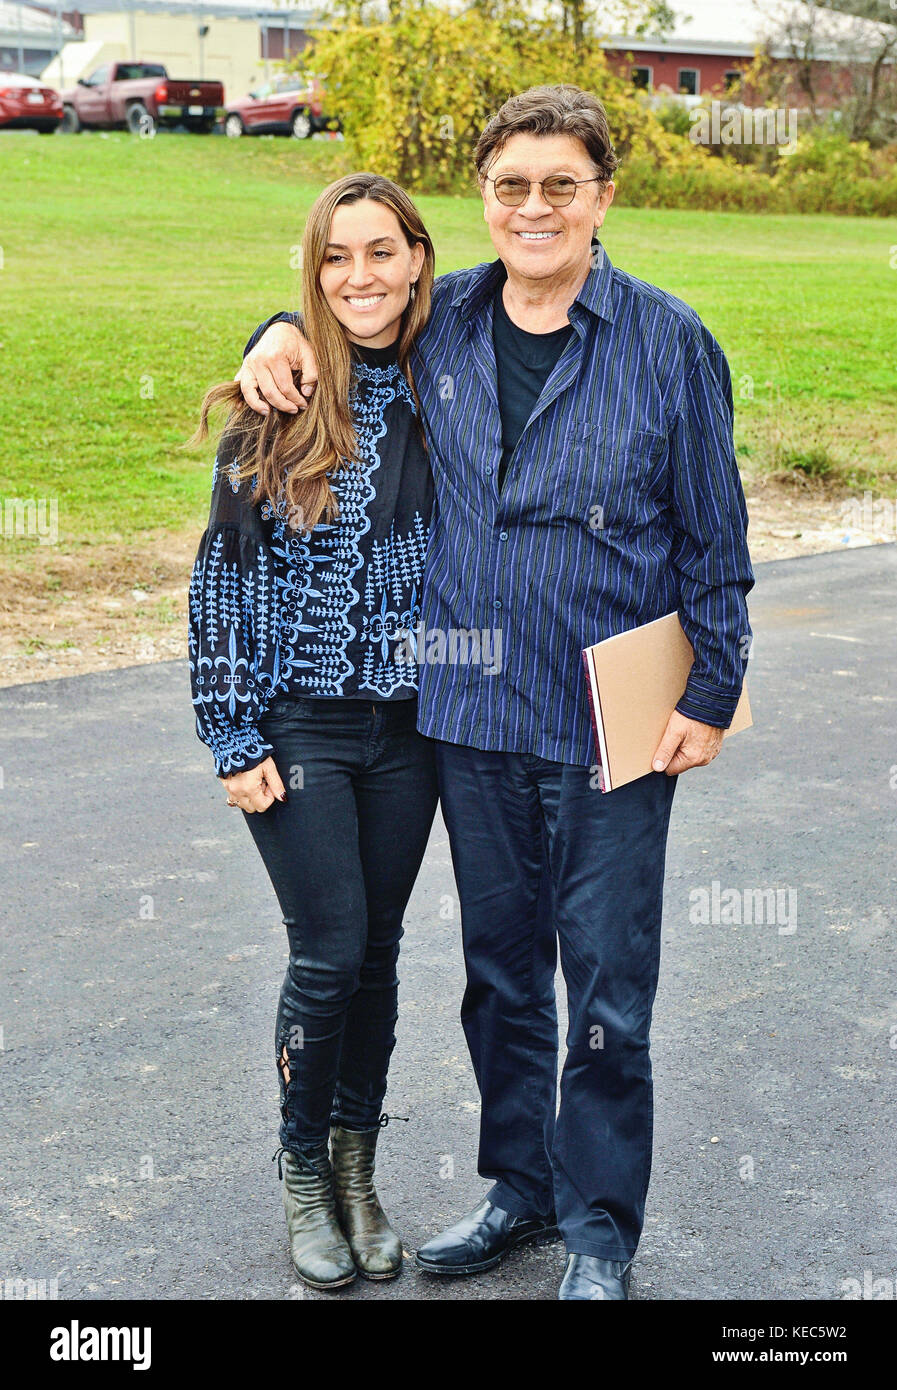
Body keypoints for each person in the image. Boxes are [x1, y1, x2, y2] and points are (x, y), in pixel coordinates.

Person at [236, 85, 755, 1300]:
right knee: (503, 980)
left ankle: (600, 1232)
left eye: (559, 185)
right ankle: (520, 1193)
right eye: (510, 186)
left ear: (601, 198)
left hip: (613, 719)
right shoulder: (448, 319)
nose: (534, 207)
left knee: (609, 993)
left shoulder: (670, 344)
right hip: (468, 717)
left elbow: (714, 540)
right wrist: (271, 326)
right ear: (484, 199)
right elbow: (343, 308)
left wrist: (713, 693)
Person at [187, 173, 439, 1290]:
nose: (359, 277)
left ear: (420, 259)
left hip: (421, 723)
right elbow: (222, 584)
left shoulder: (454, 379)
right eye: (335, 259)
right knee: (329, 952)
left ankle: (357, 1168)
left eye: (380, 252)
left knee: (380, 956)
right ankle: (300, 1171)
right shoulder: (274, 402)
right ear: (313, 272)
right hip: (300, 723)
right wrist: (232, 734)